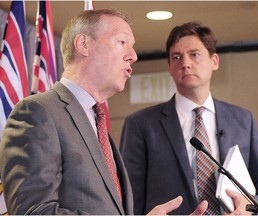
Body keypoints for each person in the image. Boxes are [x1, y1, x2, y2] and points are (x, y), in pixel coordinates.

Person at [0, 10, 208, 215]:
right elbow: (33, 211)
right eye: (122, 42)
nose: (133, 56)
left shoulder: (96, 122)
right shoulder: (37, 112)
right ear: (84, 45)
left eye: (132, 47)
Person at [120, 21, 258, 215]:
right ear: (169, 66)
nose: (185, 63)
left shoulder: (244, 120)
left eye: (194, 55)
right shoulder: (141, 124)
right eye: (176, 57)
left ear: (214, 61)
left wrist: (249, 210)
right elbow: (129, 202)